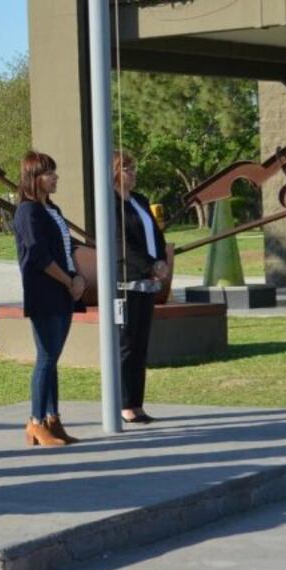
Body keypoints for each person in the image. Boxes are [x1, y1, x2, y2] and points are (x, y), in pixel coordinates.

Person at [13, 151, 84, 447]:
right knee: (45, 358)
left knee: (52, 359)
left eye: (54, 172)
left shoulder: (52, 209)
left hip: (64, 292)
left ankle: (53, 418)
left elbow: (67, 248)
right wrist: (69, 280)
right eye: (48, 173)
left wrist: (77, 277)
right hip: (46, 293)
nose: (55, 178)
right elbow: (39, 256)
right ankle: (35, 422)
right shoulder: (28, 212)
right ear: (34, 178)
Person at [113, 150, 168, 424]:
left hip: (147, 284)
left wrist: (161, 262)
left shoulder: (140, 201)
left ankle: (137, 403)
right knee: (126, 345)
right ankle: (124, 404)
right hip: (126, 283)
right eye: (127, 169)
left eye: (134, 169)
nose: (133, 174)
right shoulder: (110, 204)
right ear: (114, 172)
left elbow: (156, 235)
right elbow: (122, 243)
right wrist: (148, 265)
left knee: (141, 345)